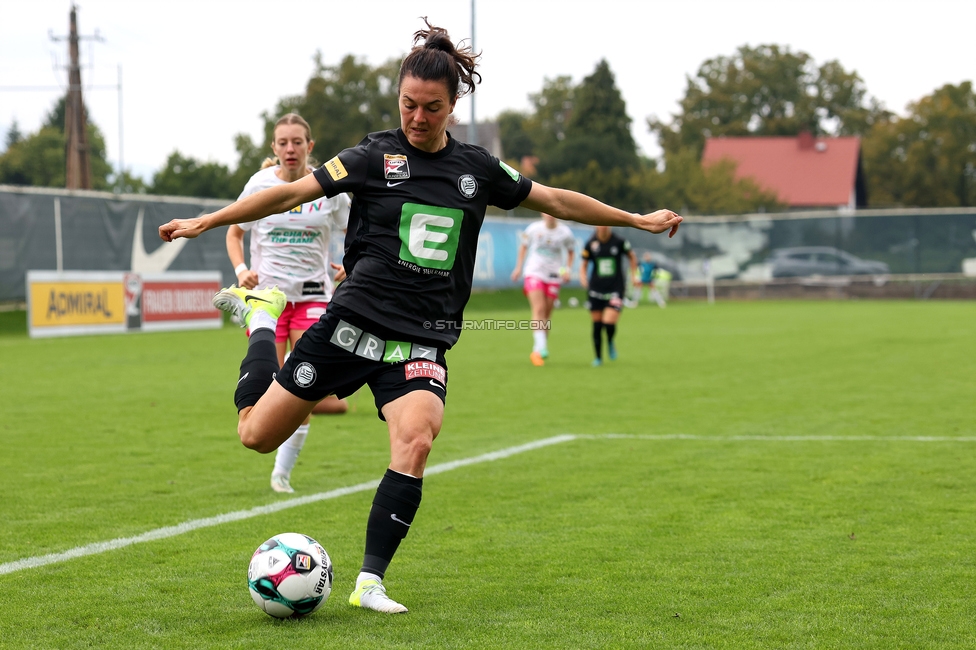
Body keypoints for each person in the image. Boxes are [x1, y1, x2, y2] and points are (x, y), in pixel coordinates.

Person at [159, 19, 681, 615]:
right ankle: (260, 319)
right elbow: (292, 193)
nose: (417, 117)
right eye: (408, 104)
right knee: (255, 436)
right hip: (351, 325)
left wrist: (635, 219)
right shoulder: (371, 156)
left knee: (417, 438)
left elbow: (556, 199)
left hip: (421, 339)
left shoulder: (478, 169)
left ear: (453, 106)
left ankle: (369, 583)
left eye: (432, 107)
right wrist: (211, 220)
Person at [225, 113, 351, 495]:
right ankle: (269, 433)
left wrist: (351, 262)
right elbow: (234, 232)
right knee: (270, 389)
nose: (290, 149)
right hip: (268, 299)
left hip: (313, 295)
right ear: (274, 147)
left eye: (297, 142)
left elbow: (357, 229)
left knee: (300, 383)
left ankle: (281, 474)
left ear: (309, 146)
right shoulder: (260, 185)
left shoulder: (328, 186)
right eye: (283, 143)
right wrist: (242, 270)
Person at [510, 213, 575, 366]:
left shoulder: (565, 233)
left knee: (546, 314)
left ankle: (537, 350)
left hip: (553, 275)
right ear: (542, 213)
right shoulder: (534, 229)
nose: (550, 215)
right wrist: (518, 267)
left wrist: (567, 270)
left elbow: (571, 251)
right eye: (546, 212)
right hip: (534, 272)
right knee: (538, 308)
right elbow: (523, 247)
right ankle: (542, 346)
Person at [579, 226, 638, 366]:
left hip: (615, 289)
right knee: (597, 325)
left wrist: (634, 275)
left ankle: (610, 341)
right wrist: (583, 277)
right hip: (596, 289)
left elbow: (631, 256)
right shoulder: (591, 243)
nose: (603, 226)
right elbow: (584, 264)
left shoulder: (619, 241)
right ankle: (598, 358)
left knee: (609, 323)